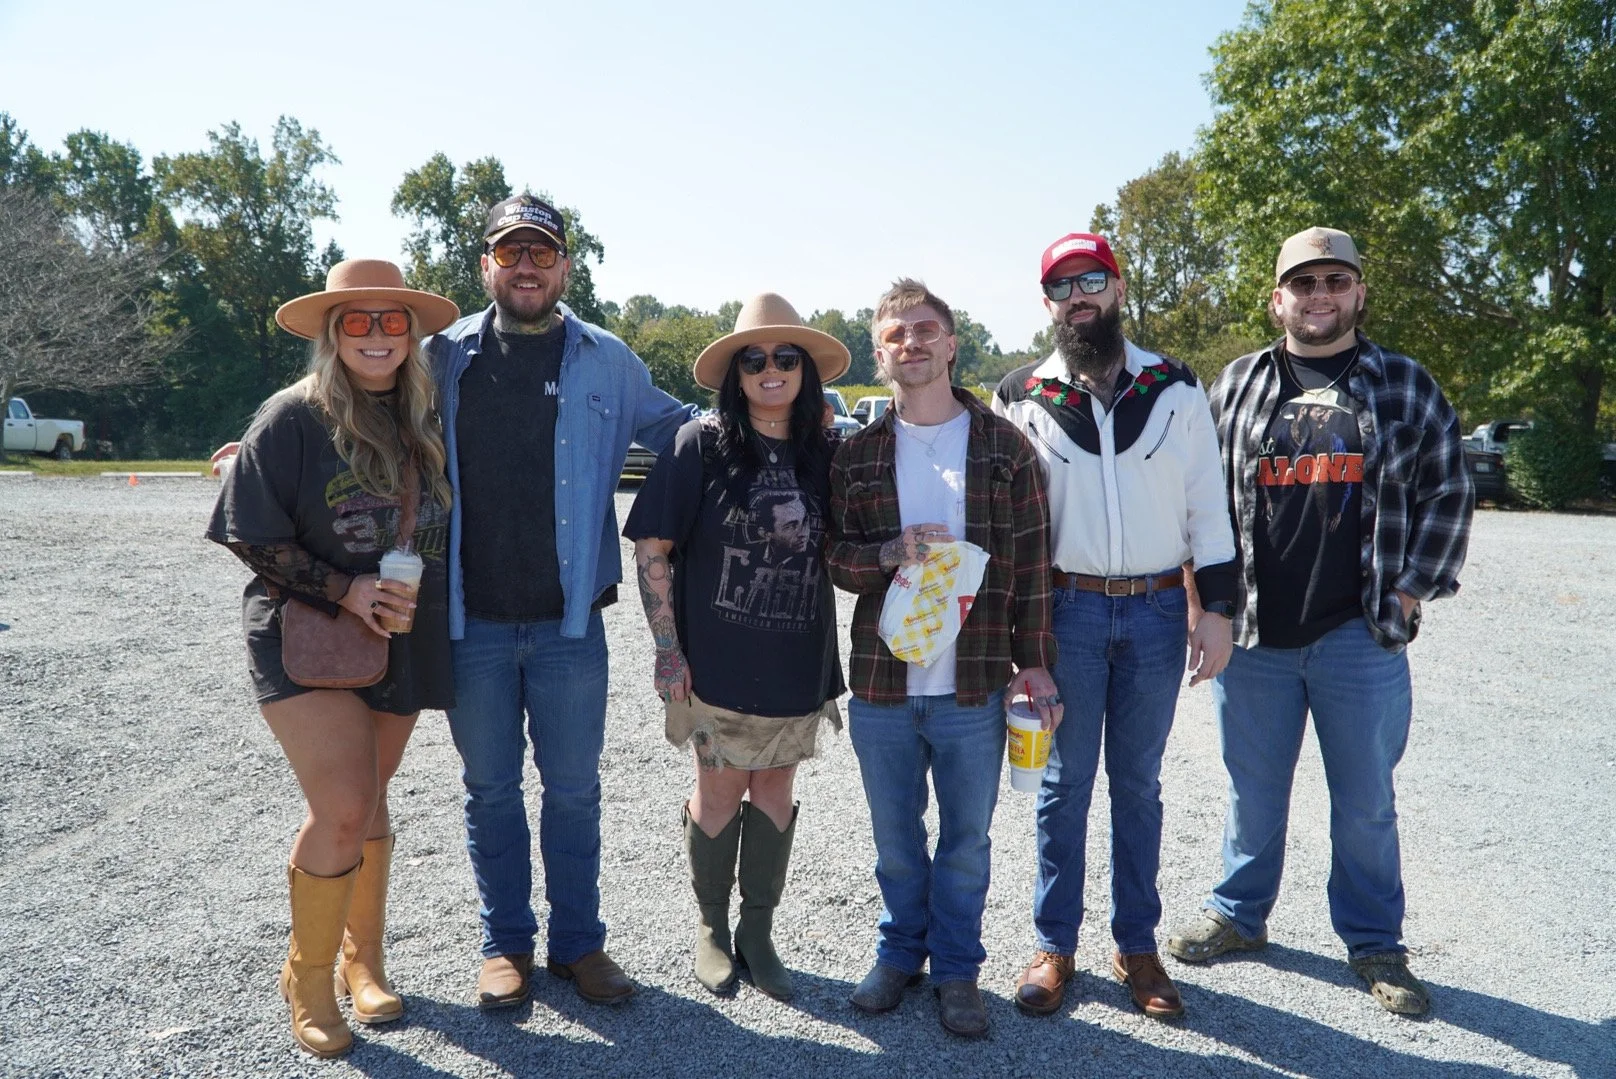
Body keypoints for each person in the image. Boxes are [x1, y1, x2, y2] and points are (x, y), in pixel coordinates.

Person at [1166, 227, 1474, 1016]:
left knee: (1365, 798)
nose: (1319, 296)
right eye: (1303, 283)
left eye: (1336, 280)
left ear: (1359, 293)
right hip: (1259, 633)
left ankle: (1375, 941)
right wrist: (1202, 605)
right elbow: (1196, 506)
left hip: (1359, 634)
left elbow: (1450, 489)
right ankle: (1239, 915)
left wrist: (1409, 591)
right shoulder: (1235, 385)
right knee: (1252, 789)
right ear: (1278, 298)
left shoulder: (1403, 384)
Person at [426, 194, 695, 1009]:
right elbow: (359, 404)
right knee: (491, 789)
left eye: (541, 252)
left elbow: (685, 431)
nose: (527, 267)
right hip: (469, 619)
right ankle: (504, 943)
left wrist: (786, 436)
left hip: (570, 625)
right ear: (486, 266)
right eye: (510, 253)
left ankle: (579, 945)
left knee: (573, 789)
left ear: (566, 265)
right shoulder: (442, 357)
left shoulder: (609, 359)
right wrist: (273, 438)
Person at [207, 259, 459, 1057]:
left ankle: (364, 964)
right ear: (332, 331)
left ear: (411, 333)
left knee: (374, 796)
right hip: (303, 631)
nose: (378, 335)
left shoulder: (424, 414)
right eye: (359, 320)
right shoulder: (292, 417)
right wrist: (346, 590)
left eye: (393, 321)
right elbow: (247, 530)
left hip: (400, 630)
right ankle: (308, 979)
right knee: (343, 802)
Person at [993, 232, 1237, 1020]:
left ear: (1118, 287)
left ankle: (1137, 947)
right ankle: (1052, 946)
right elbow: (1003, 525)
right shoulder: (1021, 394)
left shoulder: (1173, 386)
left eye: (1092, 279)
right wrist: (1010, 637)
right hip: (1066, 611)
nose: (1079, 296)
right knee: (1061, 785)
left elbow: (1208, 503)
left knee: (1138, 785)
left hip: (1162, 611)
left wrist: (1219, 609)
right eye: (1063, 286)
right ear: (1047, 303)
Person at [829, 278, 1060, 1039]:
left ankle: (958, 971)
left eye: (926, 330)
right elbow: (832, 554)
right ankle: (899, 956)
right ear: (879, 350)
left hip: (975, 684)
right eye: (897, 334)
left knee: (967, 840)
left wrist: (1036, 665)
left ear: (952, 342)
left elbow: (1031, 566)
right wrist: (889, 551)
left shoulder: (1003, 446)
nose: (913, 344)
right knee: (896, 838)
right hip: (883, 683)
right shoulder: (857, 453)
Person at [623, 294, 849, 1000]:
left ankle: (759, 931)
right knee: (719, 788)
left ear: (805, 371)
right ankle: (713, 930)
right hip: (714, 664)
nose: (771, 369)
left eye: (787, 357)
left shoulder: (826, 454)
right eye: (755, 359)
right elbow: (652, 548)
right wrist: (668, 650)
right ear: (737, 373)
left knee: (775, 790)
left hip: (795, 663)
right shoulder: (700, 444)